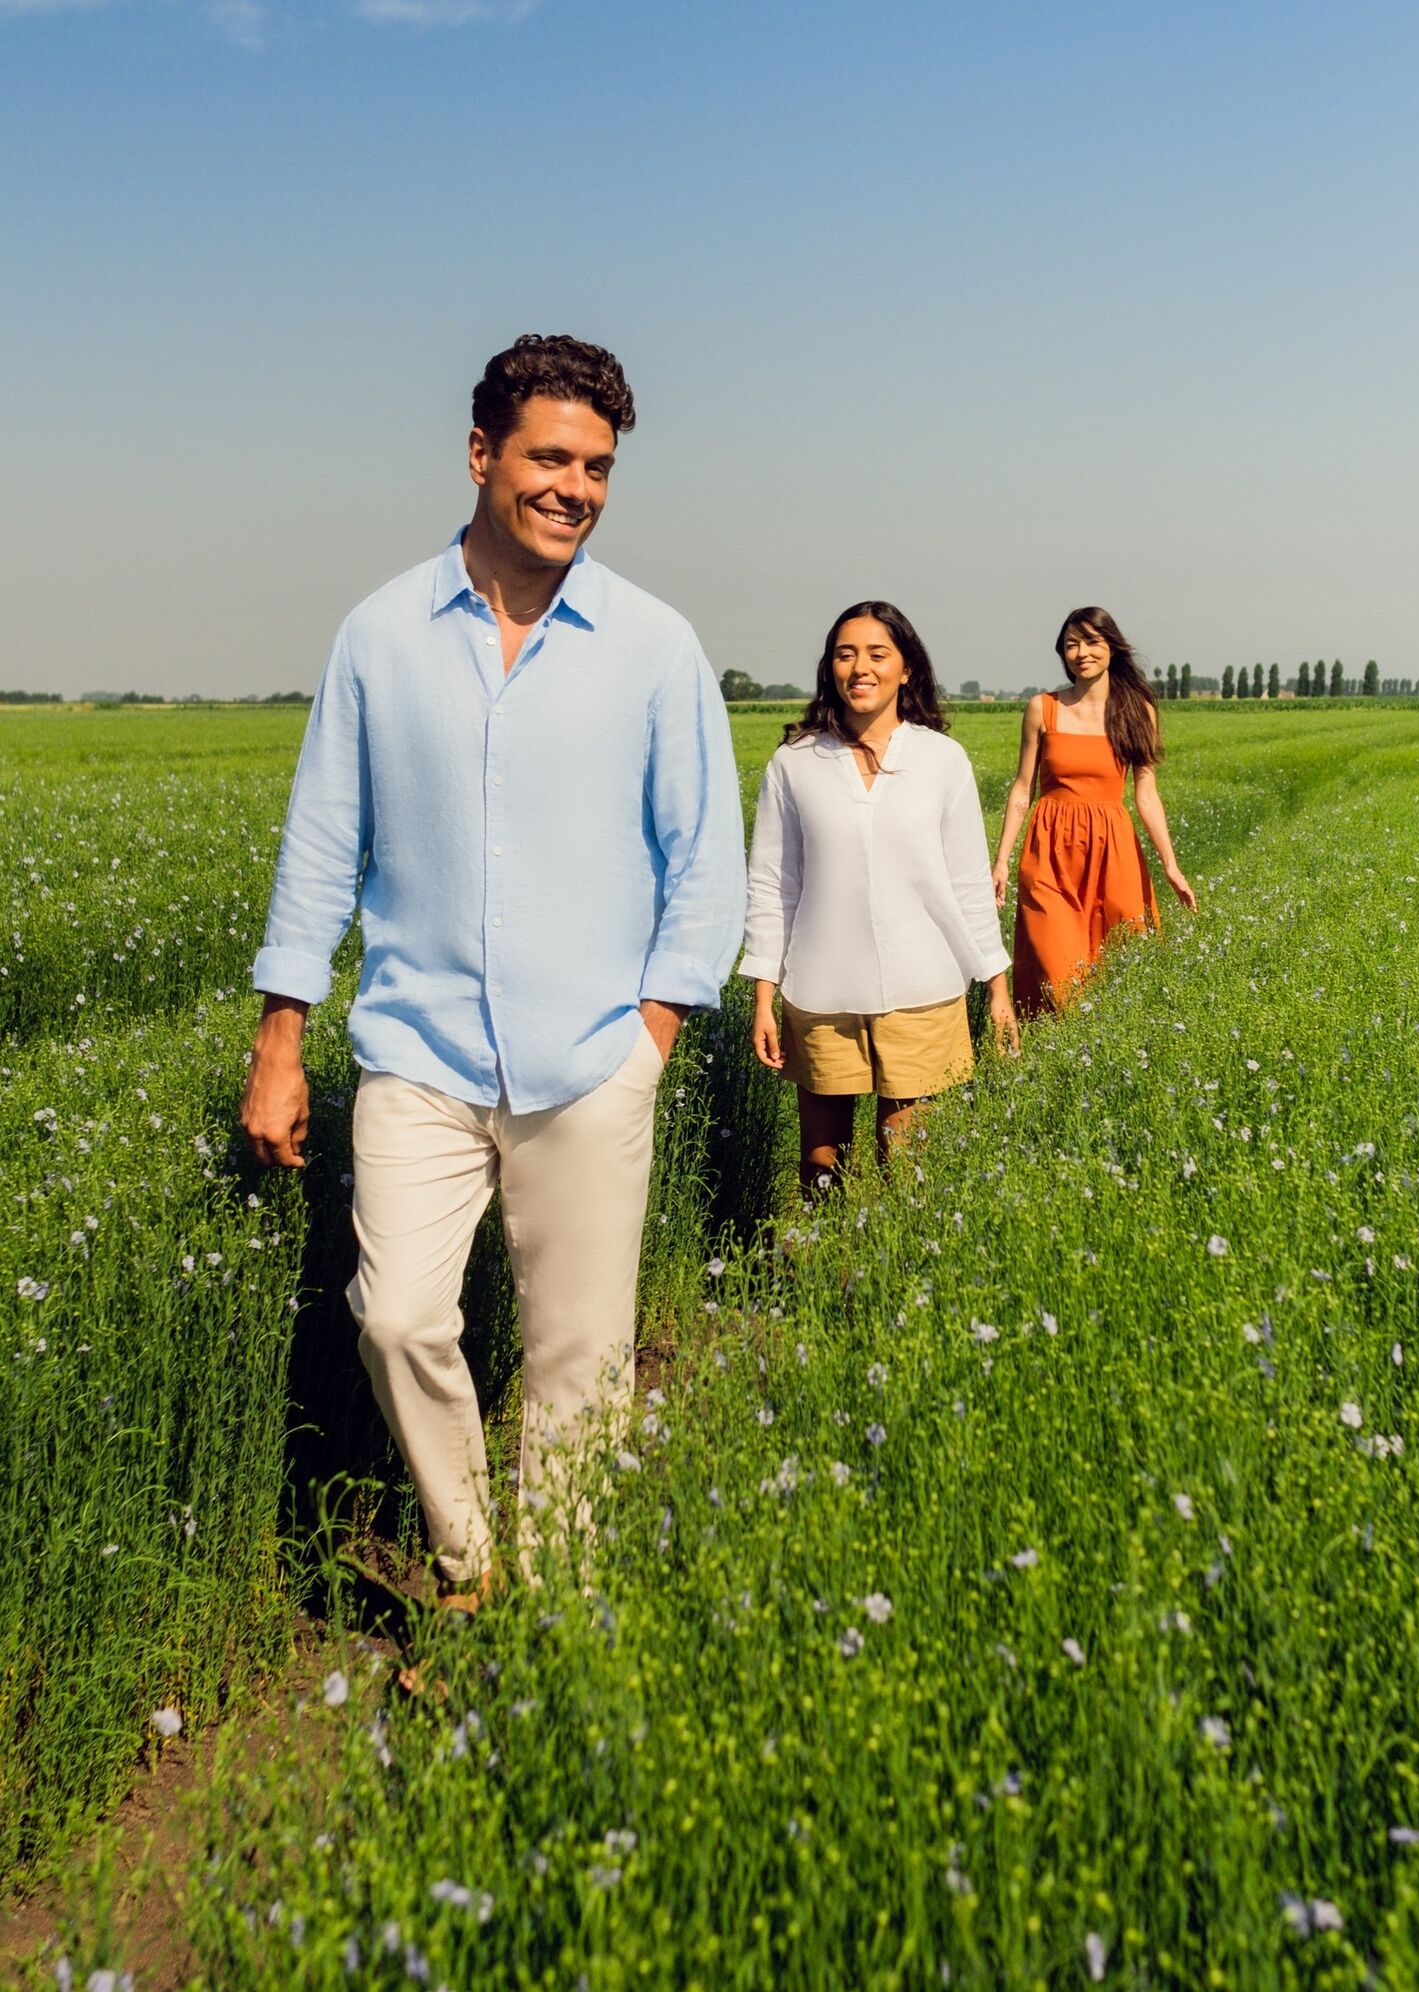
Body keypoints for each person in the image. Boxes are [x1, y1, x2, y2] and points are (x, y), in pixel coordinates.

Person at [240, 335, 746, 1609]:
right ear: (481, 455)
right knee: (397, 1317)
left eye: (598, 465)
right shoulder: (379, 637)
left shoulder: (652, 644)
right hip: (419, 1053)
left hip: (590, 1058)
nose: (575, 486)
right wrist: (280, 1038)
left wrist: (650, 1039)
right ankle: (475, 1566)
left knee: (581, 1357)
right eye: (549, 457)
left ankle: (558, 1610)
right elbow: (319, 844)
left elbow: (706, 863)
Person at [741, 601, 1017, 1191]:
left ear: (906, 668)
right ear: (830, 669)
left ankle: (901, 1284)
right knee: (821, 1171)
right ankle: (824, 1282)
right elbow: (772, 884)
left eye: (877, 654)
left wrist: (997, 987)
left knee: (909, 1171)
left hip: (923, 990)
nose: (860, 667)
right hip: (820, 994)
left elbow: (969, 881)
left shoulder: (942, 761)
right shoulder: (794, 764)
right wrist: (764, 997)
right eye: (845, 654)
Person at [992, 606, 1196, 1016]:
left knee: (1119, 962)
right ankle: (1045, 1052)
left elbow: (1146, 793)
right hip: (1049, 850)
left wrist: (1170, 865)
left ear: (1111, 648)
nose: (1081, 652)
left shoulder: (1137, 711)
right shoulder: (1042, 708)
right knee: (1054, 968)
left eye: (1091, 642)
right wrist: (1001, 861)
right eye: (1071, 644)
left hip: (1113, 848)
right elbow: (1021, 789)